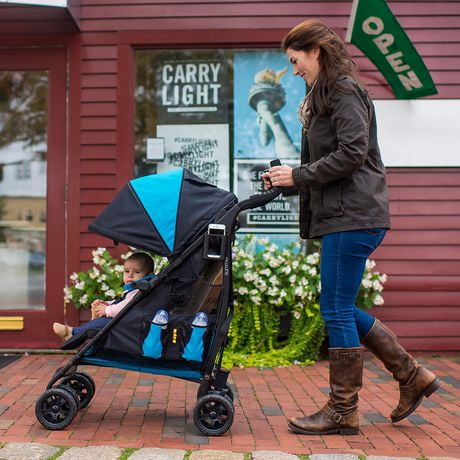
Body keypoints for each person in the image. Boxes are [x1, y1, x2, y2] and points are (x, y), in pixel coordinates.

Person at [262, 19, 440, 435]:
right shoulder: (326, 92)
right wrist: (289, 180)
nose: (293, 70)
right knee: (337, 305)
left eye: (296, 60)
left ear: (315, 52)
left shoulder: (342, 90)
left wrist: (298, 176)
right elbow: (332, 159)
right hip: (345, 215)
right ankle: (411, 375)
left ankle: (343, 410)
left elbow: (353, 152)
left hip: (353, 215)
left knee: (336, 308)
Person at [53, 252, 155, 341]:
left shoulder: (140, 290)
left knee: (103, 322)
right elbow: (122, 302)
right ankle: (78, 332)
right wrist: (106, 303)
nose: (130, 275)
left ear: (149, 274)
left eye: (137, 272)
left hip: (130, 324)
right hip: (126, 321)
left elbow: (127, 305)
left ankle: (72, 332)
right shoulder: (133, 289)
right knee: (101, 321)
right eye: (127, 271)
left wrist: (107, 310)